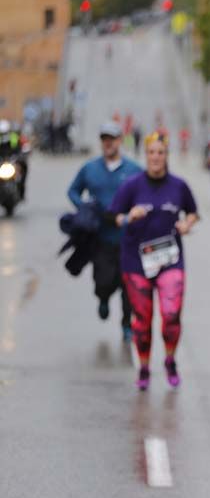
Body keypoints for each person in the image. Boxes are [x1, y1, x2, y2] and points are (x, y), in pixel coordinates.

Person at [109, 131, 199, 390]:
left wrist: (186, 223)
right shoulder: (132, 186)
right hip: (136, 262)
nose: (156, 157)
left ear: (166, 155)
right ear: (145, 155)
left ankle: (170, 360)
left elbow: (193, 212)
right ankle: (145, 366)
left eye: (160, 152)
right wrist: (129, 217)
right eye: (151, 153)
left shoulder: (179, 186)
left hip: (170, 259)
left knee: (171, 315)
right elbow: (113, 216)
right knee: (143, 319)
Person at [67, 121, 144, 341]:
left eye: (112, 138)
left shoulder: (133, 170)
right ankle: (102, 298)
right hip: (101, 237)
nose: (108, 143)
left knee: (128, 285)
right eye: (104, 139)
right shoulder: (90, 168)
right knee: (103, 281)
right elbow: (73, 190)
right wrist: (84, 208)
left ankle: (126, 324)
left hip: (128, 238)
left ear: (120, 140)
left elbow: (144, 196)